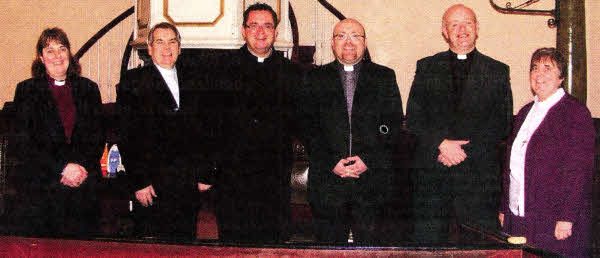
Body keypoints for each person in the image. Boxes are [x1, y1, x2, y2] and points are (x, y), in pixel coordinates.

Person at [406, 4, 513, 243]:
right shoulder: (427, 67)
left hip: (477, 178)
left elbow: (502, 123)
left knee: (479, 246)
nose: (461, 29)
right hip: (433, 176)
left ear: (477, 29)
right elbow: (414, 117)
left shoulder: (497, 71)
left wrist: (462, 150)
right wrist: (441, 144)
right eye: (454, 24)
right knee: (429, 246)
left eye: (468, 23)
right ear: (444, 31)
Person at [298, 18, 403, 244]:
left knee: (371, 249)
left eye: (355, 36)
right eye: (341, 36)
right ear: (332, 43)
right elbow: (307, 127)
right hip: (328, 182)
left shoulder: (384, 77)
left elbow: (393, 126)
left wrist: (368, 160)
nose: (348, 42)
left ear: (364, 44)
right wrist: (331, 162)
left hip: (372, 182)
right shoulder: (314, 78)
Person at [204, 3, 302, 242]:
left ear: (276, 32)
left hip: (274, 177)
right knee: (234, 245)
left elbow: (300, 121)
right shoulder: (221, 69)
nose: (261, 32)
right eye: (254, 26)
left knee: (273, 244)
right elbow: (208, 125)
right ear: (243, 30)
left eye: (267, 26)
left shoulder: (292, 73)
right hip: (232, 178)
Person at [117, 22, 213, 239]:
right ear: (149, 49)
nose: (167, 47)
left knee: (185, 245)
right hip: (152, 185)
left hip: (187, 184)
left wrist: (205, 173)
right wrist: (139, 181)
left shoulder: (195, 79)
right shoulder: (133, 81)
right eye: (160, 42)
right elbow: (126, 136)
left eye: (172, 41)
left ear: (179, 47)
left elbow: (207, 131)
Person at [10, 27, 105, 237]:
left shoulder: (89, 89)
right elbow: (24, 142)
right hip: (44, 188)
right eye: (49, 50)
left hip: (84, 184)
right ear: (41, 58)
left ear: (69, 54)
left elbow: (97, 136)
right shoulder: (26, 91)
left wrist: (80, 168)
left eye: (62, 49)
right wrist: (62, 168)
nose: (57, 56)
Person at [499, 48, 594, 257]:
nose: (538, 74)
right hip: (520, 215)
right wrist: (504, 207)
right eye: (534, 68)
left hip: (555, 219)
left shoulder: (575, 113)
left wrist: (567, 217)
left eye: (547, 68)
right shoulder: (525, 112)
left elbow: (579, 172)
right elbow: (511, 165)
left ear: (561, 78)